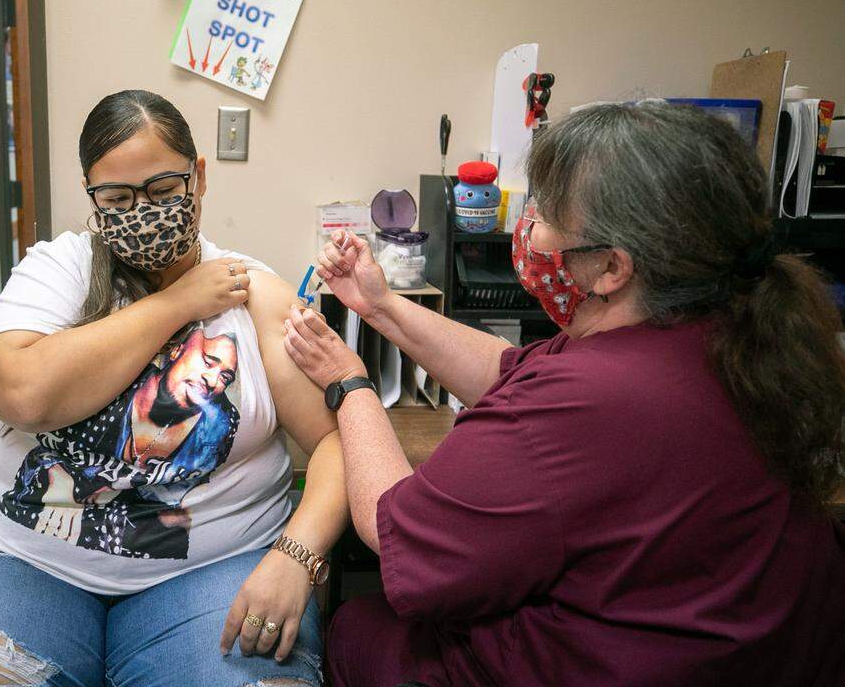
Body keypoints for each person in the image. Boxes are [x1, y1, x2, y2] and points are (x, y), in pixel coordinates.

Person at [284, 103, 845, 686]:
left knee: (357, 626)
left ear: (611, 267)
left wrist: (348, 383)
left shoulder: (588, 401)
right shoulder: (727, 333)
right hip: (756, 651)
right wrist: (380, 306)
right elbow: (511, 370)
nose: (530, 229)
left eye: (547, 214)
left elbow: (391, 524)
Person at [0, 90, 346, 686]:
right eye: (119, 198)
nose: (144, 211)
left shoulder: (256, 296)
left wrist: (297, 557)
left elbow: (335, 441)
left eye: (164, 190)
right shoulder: (59, 269)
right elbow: (19, 394)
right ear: (92, 195)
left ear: (199, 178)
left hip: (211, 571)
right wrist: (177, 303)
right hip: (13, 555)